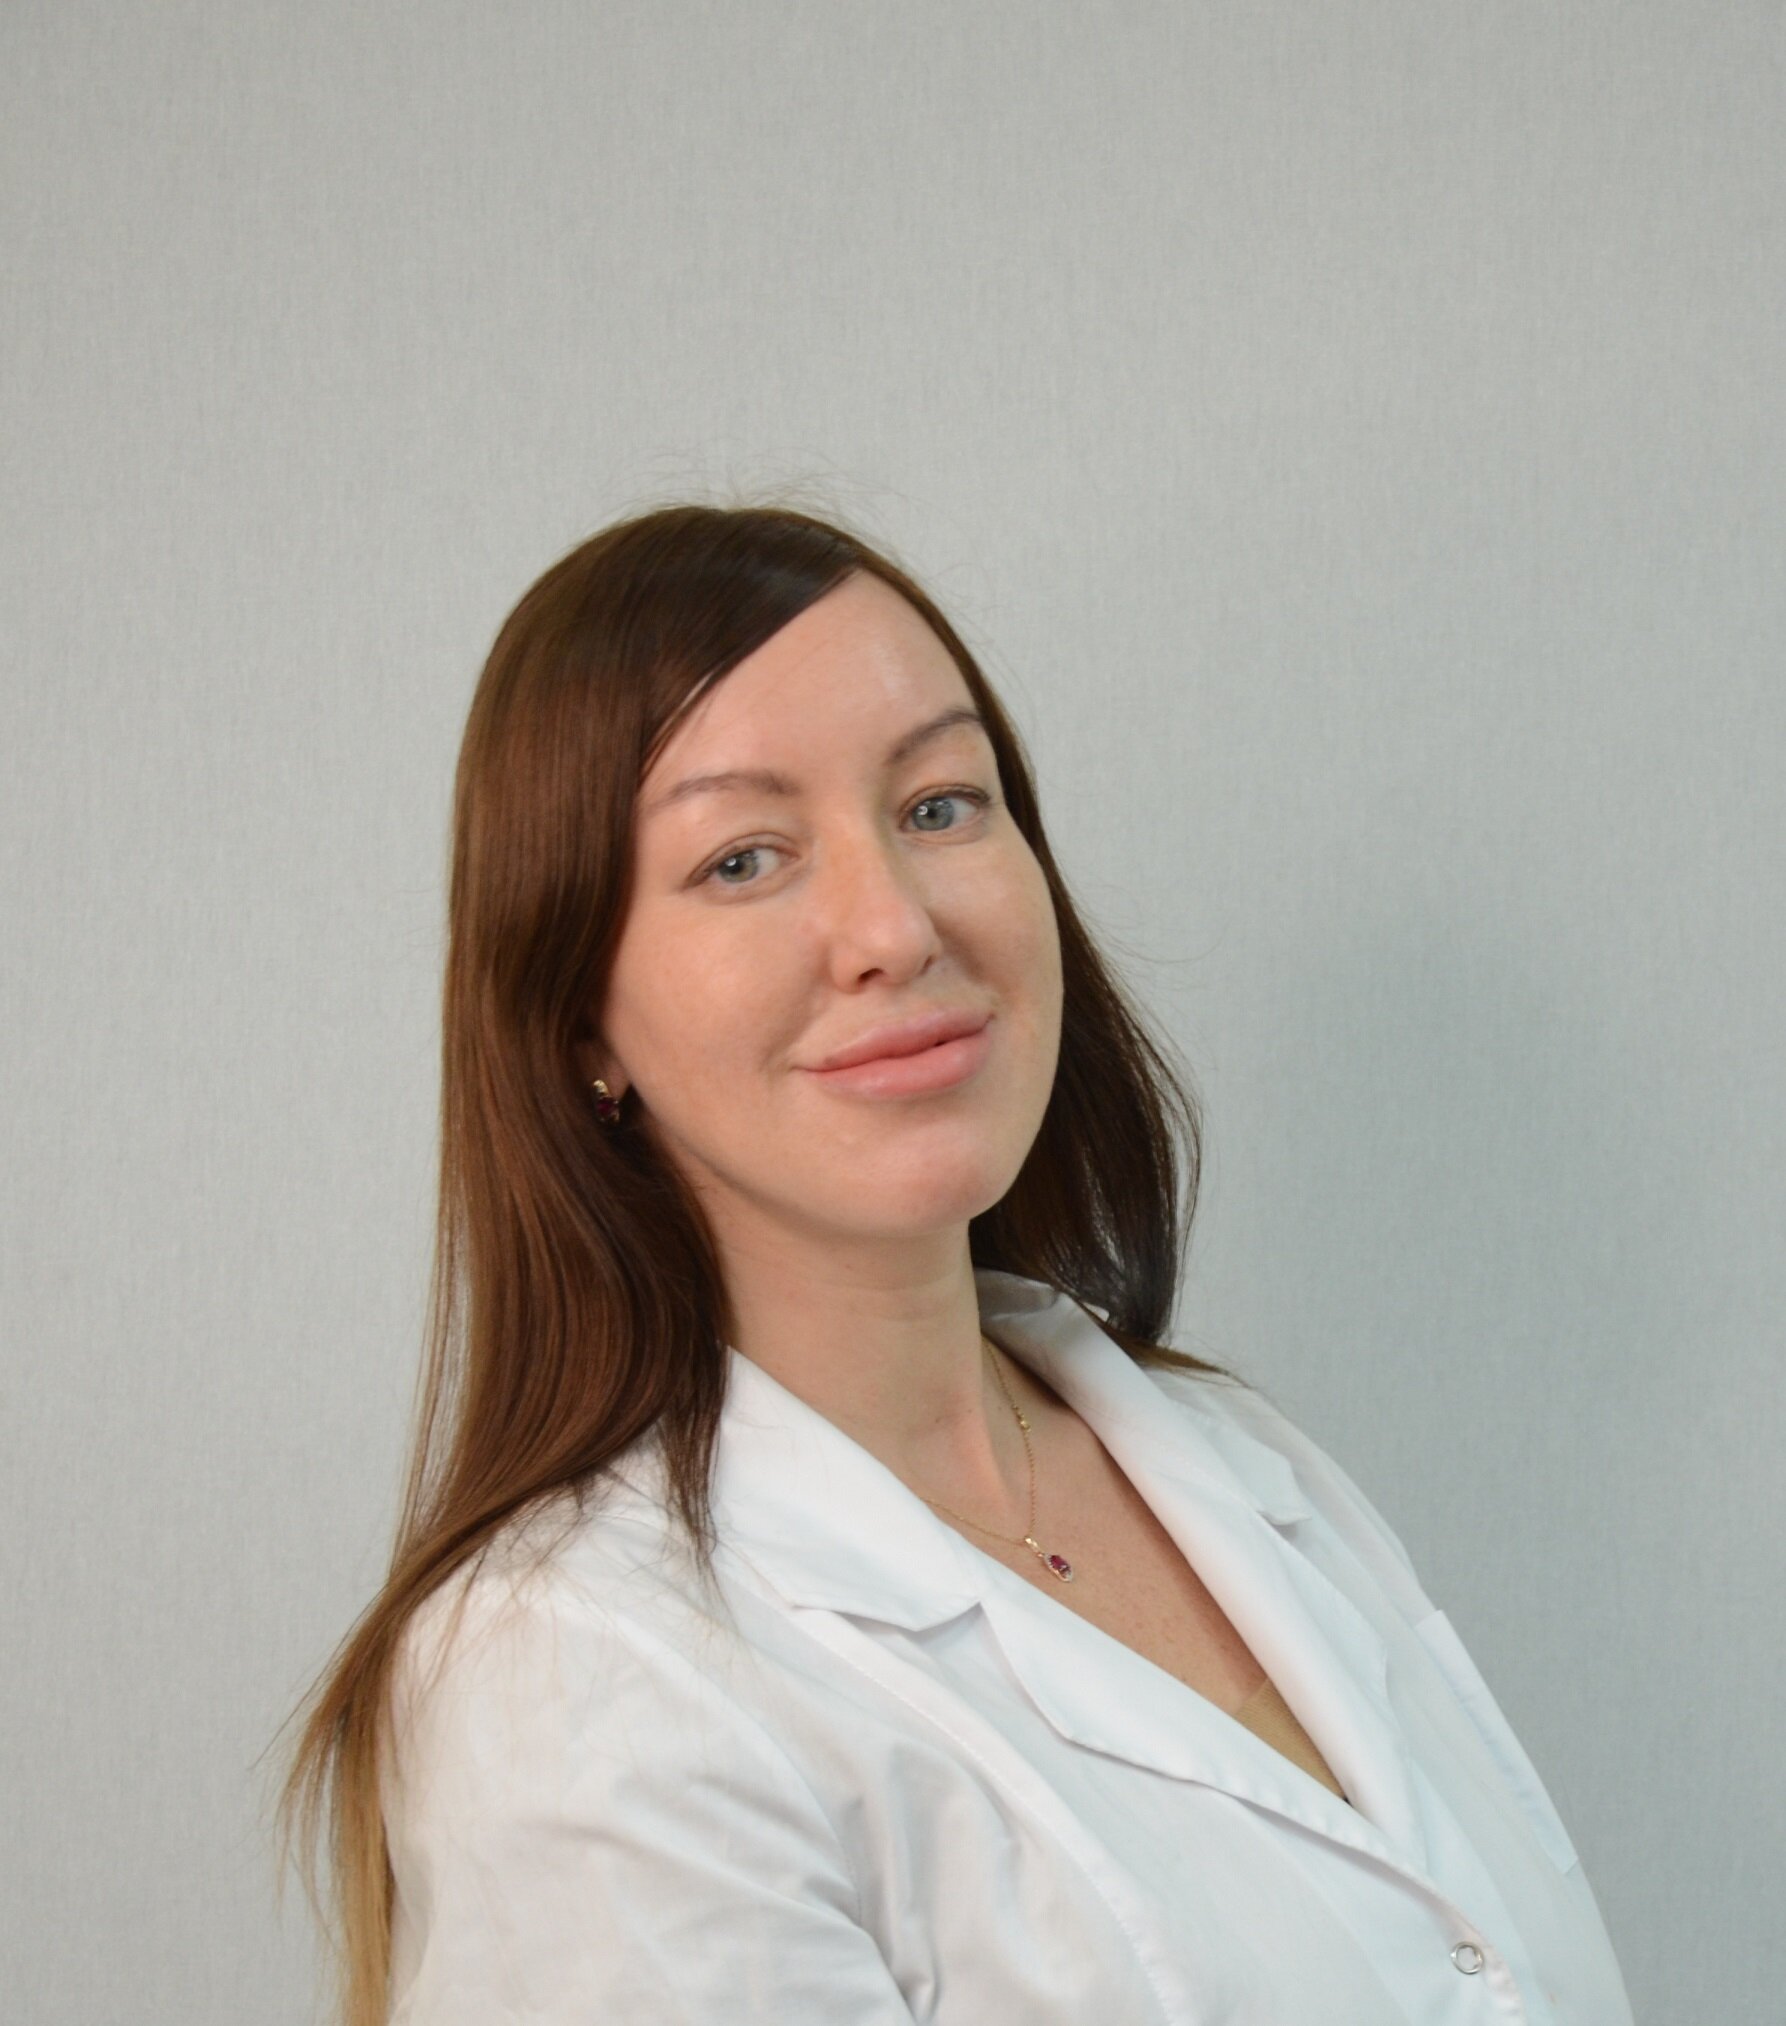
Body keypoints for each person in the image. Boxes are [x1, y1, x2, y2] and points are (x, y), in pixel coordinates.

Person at [274, 501, 1637, 2024]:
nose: (893, 926)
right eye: (742, 858)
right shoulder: (580, 1678)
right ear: (580, 1022)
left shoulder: (1229, 1456)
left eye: (938, 805)